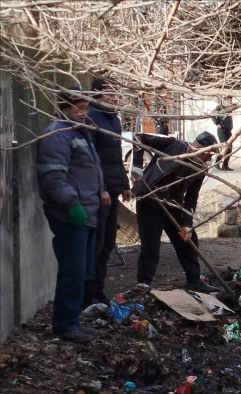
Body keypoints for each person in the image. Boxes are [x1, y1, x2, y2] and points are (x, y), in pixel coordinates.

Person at [37, 86, 109, 343]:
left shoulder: (78, 133)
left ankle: (72, 321)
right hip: (70, 215)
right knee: (73, 271)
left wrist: (101, 191)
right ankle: (65, 325)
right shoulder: (56, 135)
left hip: (88, 212)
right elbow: (53, 176)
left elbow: (87, 170)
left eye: (86, 107)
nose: (84, 112)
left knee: (84, 270)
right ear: (64, 108)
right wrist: (71, 204)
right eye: (79, 108)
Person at [131, 131, 220, 293]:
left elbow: (192, 197)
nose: (209, 159)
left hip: (173, 207)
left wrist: (187, 224)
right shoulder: (173, 145)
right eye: (209, 154)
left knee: (188, 242)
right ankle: (143, 285)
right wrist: (137, 165)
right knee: (151, 246)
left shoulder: (199, 169)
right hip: (150, 202)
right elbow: (138, 137)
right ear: (199, 148)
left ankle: (194, 281)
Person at [85, 77, 133, 308]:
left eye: (117, 93)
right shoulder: (90, 117)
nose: (116, 97)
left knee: (107, 245)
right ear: (96, 94)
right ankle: (87, 295)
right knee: (96, 245)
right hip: (98, 194)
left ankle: (99, 291)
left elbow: (115, 156)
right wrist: (101, 188)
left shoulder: (113, 119)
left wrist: (125, 184)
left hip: (113, 191)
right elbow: (91, 161)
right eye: (110, 93)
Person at [212, 99, 234, 171]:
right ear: (224, 100)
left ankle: (225, 165)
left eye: (231, 100)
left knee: (229, 148)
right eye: (228, 100)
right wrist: (217, 123)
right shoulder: (219, 107)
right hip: (222, 130)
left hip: (228, 130)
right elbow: (212, 114)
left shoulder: (230, 108)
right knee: (224, 146)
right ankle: (217, 162)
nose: (230, 101)